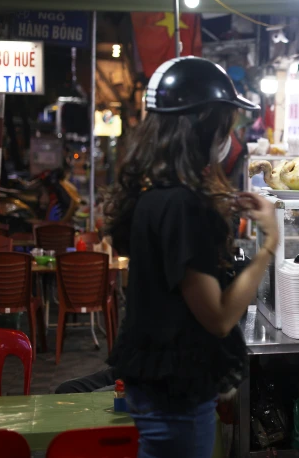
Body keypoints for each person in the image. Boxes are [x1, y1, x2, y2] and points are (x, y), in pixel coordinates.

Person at [104, 57, 279, 458]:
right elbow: (217, 318)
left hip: (155, 385)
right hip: (175, 393)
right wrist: (269, 243)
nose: (231, 135)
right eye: (229, 123)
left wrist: (217, 206)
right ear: (204, 122)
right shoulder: (183, 206)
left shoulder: (156, 194)